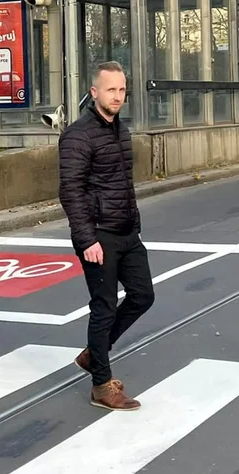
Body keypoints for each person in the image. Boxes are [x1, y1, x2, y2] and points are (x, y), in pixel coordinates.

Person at [58, 61, 154, 411]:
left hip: (127, 231)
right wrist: (87, 240)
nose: (117, 96)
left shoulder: (120, 129)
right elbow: (70, 191)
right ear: (94, 92)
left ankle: (93, 354)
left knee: (143, 295)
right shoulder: (78, 134)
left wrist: (134, 225)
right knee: (104, 307)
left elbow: (122, 184)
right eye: (111, 89)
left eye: (122, 90)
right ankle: (101, 385)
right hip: (98, 235)